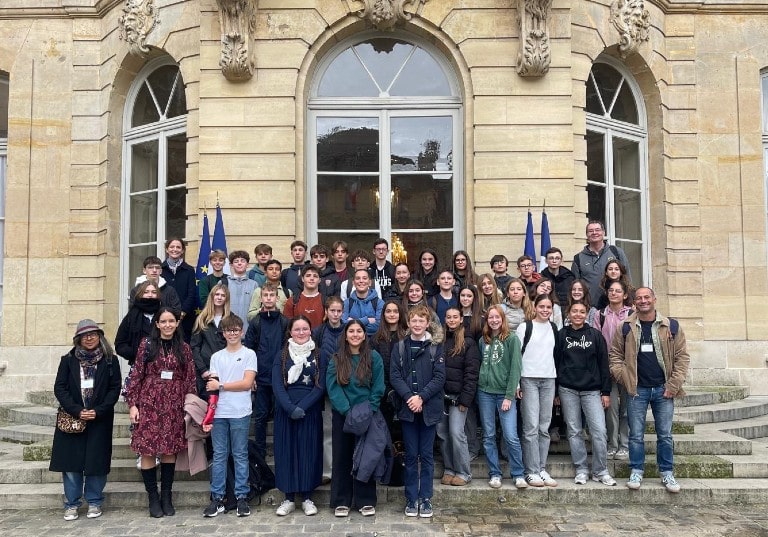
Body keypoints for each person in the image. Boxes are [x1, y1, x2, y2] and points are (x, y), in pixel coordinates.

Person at [609, 287, 690, 493]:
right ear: (634, 302)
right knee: (636, 435)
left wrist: (673, 386)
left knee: (665, 435)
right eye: (639, 298)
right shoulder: (625, 327)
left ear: (654, 299)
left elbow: (682, 358)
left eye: (647, 297)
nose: (643, 301)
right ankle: (636, 470)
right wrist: (626, 380)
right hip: (637, 390)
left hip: (664, 390)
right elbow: (615, 356)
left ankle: (667, 473)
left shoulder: (670, 326)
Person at [126, 307, 197, 518]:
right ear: (157, 324)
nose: (167, 325)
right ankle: (153, 497)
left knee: (169, 450)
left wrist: (188, 406)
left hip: (173, 404)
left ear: (177, 323)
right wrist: (133, 404)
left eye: (171, 321)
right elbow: (136, 375)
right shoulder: (146, 345)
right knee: (148, 450)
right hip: (149, 402)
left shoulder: (183, 348)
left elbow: (190, 378)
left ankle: (166, 495)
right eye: (163, 321)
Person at [50, 319, 122, 521]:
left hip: (99, 419)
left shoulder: (110, 361)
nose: (89, 338)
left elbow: (114, 389)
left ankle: (94, 501)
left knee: (96, 463)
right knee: (71, 464)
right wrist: (77, 410)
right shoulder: (68, 360)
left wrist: (98, 411)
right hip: (73, 419)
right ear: (78, 339)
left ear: (100, 336)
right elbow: (60, 388)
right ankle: (72, 504)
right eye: (85, 335)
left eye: (93, 334)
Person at [390, 305, 446, 518]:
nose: (417, 324)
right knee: (411, 455)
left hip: (429, 408)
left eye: (421, 321)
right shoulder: (401, 347)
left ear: (427, 323)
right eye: (414, 320)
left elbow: (439, 377)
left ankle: (426, 498)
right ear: (409, 322)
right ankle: (411, 498)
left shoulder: (435, 347)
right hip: (408, 409)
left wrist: (421, 397)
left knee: (427, 455)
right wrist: (409, 398)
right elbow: (395, 375)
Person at [326, 320, 385, 518]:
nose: (355, 335)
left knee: (365, 458)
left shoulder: (373, 357)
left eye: (359, 331)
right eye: (351, 331)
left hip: (367, 414)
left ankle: (365, 500)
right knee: (342, 457)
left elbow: (378, 387)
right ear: (345, 335)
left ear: (364, 334)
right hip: (343, 415)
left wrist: (369, 409)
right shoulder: (336, 359)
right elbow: (332, 388)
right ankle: (341, 500)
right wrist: (347, 411)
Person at [201, 314, 257, 518]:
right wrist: (209, 414)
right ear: (223, 333)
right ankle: (217, 498)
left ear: (241, 332)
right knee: (219, 455)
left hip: (240, 411)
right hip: (219, 412)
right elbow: (212, 388)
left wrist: (222, 385)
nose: (232, 333)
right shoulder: (217, 357)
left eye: (235, 330)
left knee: (240, 454)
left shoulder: (249, 354)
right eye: (228, 330)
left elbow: (246, 383)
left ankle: (242, 496)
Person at [555, 300, 616, 487]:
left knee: (599, 431)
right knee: (574, 431)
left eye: (582, 312)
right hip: (568, 390)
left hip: (592, 391)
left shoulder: (595, 336)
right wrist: (556, 391)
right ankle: (581, 469)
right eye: (575, 311)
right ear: (569, 313)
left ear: (586, 314)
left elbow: (603, 365)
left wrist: (605, 392)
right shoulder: (561, 335)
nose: (578, 314)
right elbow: (555, 363)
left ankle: (600, 470)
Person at [272, 316, 326, 517]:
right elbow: (277, 384)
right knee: (286, 452)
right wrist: (289, 407)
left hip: (309, 411)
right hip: (285, 411)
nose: (301, 332)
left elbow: (321, 385)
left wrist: (303, 406)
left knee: (308, 452)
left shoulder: (319, 355)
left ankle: (307, 497)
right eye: (297, 329)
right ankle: (288, 498)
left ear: (311, 331)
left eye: (305, 329)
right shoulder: (282, 355)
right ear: (290, 332)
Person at [477, 305, 526, 490]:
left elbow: (515, 368)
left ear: (503, 319)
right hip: (485, 393)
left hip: (504, 394)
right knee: (488, 435)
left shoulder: (512, 339)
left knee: (510, 435)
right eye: (491, 317)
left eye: (497, 317)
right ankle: (495, 473)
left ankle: (518, 473)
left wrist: (509, 395)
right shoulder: (484, 340)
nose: (494, 320)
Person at [516, 295, 558, 487]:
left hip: (549, 379)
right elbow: (516, 357)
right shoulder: (525, 327)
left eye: (548, 307)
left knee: (544, 427)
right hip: (529, 379)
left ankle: (541, 467)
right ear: (535, 307)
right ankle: (531, 470)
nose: (545, 310)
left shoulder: (554, 328)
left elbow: (555, 356)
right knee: (531, 427)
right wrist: (516, 384)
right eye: (541, 306)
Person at [244, 283, 290, 459]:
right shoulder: (255, 322)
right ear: (261, 298)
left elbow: (287, 348)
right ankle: (261, 452)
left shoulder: (284, 321)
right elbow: (249, 350)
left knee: (280, 414)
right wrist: (252, 375)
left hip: (280, 377)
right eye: (266, 295)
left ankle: (280, 450)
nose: (269, 298)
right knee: (261, 415)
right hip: (261, 377)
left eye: (272, 295)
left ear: (277, 298)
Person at [436, 307, 479, 488]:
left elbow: (472, 372)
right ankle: (449, 469)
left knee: (456, 433)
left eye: (455, 317)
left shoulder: (469, 342)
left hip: (458, 397)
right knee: (442, 434)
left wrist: (465, 399)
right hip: (441, 396)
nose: (452, 320)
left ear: (461, 319)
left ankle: (463, 472)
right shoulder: (440, 341)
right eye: (449, 317)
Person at [594, 279, 634, 461]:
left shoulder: (632, 314)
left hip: (628, 367)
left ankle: (625, 444)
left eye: (618, 291)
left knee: (627, 408)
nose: (614, 294)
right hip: (607, 366)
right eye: (611, 290)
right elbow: (596, 340)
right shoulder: (600, 314)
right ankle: (612, 444)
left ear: (625, 295)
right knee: (610, 408)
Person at [312, 296, 346, 484]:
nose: (335, 314)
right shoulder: (318, 332)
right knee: (327, 431)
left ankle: (344, 469)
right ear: (326, 312)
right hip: (325, 388)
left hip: (345, 387)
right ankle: (327, 471)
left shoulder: (349, 330)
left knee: (345, 430)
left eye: (338, 311)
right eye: (332, 310)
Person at [371, 299, 408, 442]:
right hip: (384, 393)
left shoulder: (408, 337)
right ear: (383, 314)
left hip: (405, 393)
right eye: (388, 311)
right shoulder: (375, 340)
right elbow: (374, 368)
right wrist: (387, 390)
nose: (392, 314)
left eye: (395, 311)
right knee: (386, 435)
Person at [571, 220, 631, 305]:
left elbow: (627, 278)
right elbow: (575, 285)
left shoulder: (616, 252)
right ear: (587, 235)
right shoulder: (578, 258)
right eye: (590, 231)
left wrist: (630, 300)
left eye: (597, 230)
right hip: (589, 307)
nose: (594, 233)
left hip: (615, 305)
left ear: (603, 232)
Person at [190, 283, 229, 399]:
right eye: (217, 294)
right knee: (206, 408)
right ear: (212, 297)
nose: (219, 297)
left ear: (226, 298)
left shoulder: (231, 318)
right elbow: (195, 347)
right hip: (205, 372)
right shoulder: (202, 319)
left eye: (223, 295)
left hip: (225, 372)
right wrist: (202, 370)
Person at [115, 280, 161, 367]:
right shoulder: (131, 316)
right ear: (140, 294)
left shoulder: (164, 314)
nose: (150, 295)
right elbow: (120, 344)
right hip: (138, 366)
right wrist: (136, 353)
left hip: (162, 365)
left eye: (154, 292)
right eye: (146, 292)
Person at [162, 238, 198, 341]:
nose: (175, 249)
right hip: (164, 317)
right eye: (172, 247)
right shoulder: (160, 269)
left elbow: (192, 293)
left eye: (178, 247)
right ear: (167, 249)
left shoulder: (189, 270)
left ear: (182, 251)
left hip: (185, 319)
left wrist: (182, 312)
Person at [226, 250, 258, 327]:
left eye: (243, 261)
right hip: (228, 328)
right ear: (231, 265)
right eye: (236, 261)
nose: (239, 263)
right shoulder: (224, 283)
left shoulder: (254, 284)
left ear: (247, 264)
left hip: (248, 328)